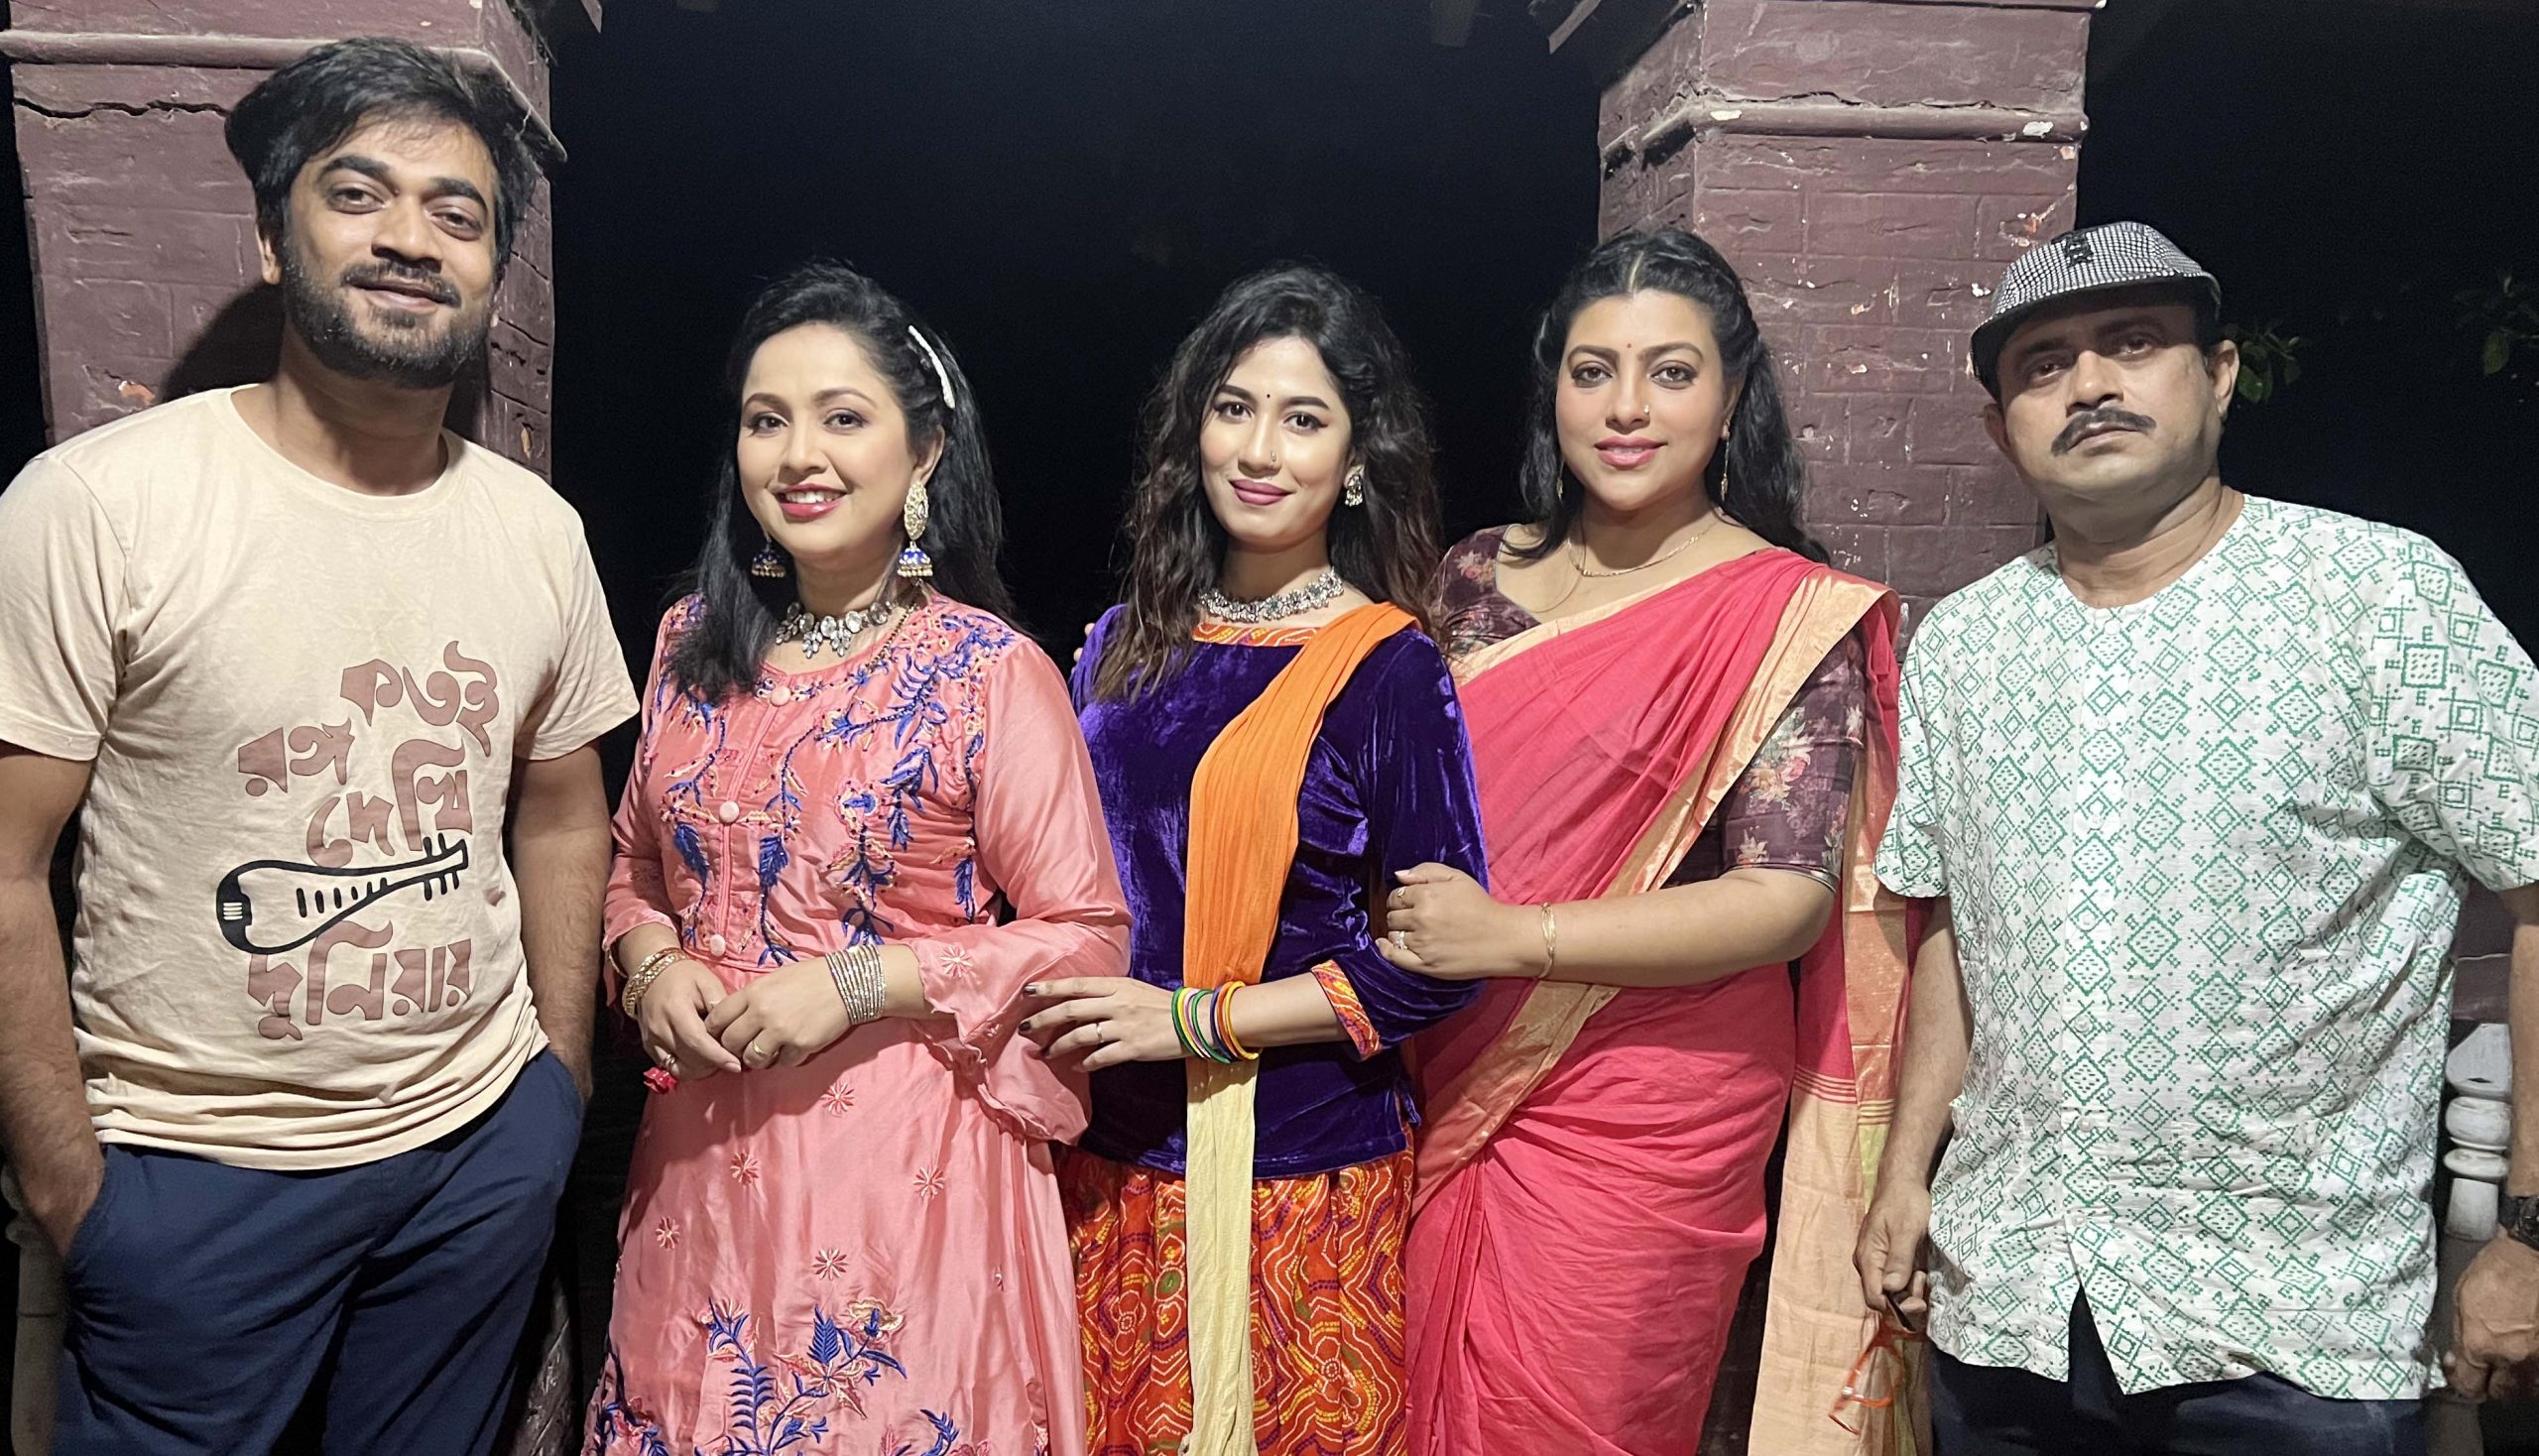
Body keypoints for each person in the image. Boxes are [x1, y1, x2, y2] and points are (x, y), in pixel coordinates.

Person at [0, 37, 637, 1455]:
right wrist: (74, 1190)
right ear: (275, 240)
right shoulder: (97, 509)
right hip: (193, 1180)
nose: (410, 239)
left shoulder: (537, 534)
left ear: (494, 270)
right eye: (360, 195)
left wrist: (555, 1088)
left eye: (457, 214)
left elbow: (559, 811)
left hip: (476, 1151)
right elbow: (1, 865)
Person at [1854, 220, 2539, 1455]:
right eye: (2044, 363)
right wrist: (1907, 1173)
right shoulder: (1963, 646)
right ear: (1996, 421)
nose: (2091, 385)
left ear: (2217, 374)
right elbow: (1953, 929)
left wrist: (2527, 1235)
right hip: (2006, 1297)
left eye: (2132, 344)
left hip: (2289, 1328)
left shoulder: (2376, 596)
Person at [583, 262, 1130, 1456]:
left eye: (842, 417)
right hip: (696, 1178)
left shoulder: (987, 673)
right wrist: (647, 958)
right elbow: (633, 863)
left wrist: (854, 981)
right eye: (766, 420)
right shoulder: (688, 644)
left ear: (924, 453)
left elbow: (1086, 933)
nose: (798, 455)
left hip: (897, 1183)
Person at [1396, 226, 1915, 1456]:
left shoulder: (1785, 611)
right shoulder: (1471, 575)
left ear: (1732, 394)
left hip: (1648, 1102)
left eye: (1671, 373)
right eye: (1593, 372)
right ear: (1552, 391)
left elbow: (1783, 895)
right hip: (1438, 1056)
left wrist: (1515, 938)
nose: (1627, 408)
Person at [1033, 265, 1488, 1456]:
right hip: (1102, 1155)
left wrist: (1194, 1020)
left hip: (1296, 1173)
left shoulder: (1388, 669)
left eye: (1303, 419)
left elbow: (1437, 967)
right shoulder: (1118, 648)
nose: (1260, 449)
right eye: (1233, 407)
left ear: (1357, 459)